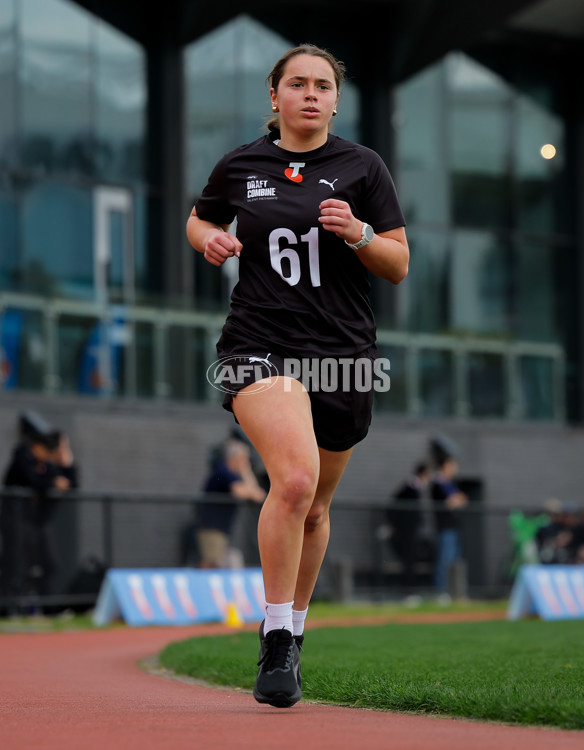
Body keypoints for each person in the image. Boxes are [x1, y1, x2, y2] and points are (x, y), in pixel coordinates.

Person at [187, 43, 409, 708]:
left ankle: (297, 629)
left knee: (314, 509)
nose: (310, 94)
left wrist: (360, 232)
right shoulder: (241, 165)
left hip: (341, 354)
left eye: (322, 85)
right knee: (294, 479)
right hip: (260, 343)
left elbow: (397, 264)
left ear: (335, 100)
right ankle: (276, 637)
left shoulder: (362, 167)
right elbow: (202, 218)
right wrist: (210, 241)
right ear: (275, 97)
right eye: (297, 84)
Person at [0, 428, 78, 612]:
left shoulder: (44, 464)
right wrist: (51, 483)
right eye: (47, 451)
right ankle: (8, 607)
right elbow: (33, 480)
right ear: (37, 447)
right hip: (15, 521)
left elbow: (70, 484)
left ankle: (48, 607)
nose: (48, 456)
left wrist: (68, 464)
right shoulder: (22, 457)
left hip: (36, 523)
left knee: (47, 564)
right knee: (14, 564)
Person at [196, 438, 266, 568]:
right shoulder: (223, 472)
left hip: (222, 527)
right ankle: (200, 585)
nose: (246, 462)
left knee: (214, 560)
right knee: (211, 560)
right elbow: (242, 492)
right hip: (212, 527)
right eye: (244, 458)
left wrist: (245, 471)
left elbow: (257, 494)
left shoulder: (233, 474)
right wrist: (245, 470)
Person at [431, 454, 468, 599]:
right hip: (444, 527)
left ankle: (456, 593)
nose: (454, 468)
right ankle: (441, 592)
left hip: (454, 527)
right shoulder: (437, 484)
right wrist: (455, 500)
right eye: (452, 464)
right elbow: (450, 502)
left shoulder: (451, 484)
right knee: (444, 561)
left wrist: (456, 500)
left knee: (455, 561)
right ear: (445, 465)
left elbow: (463, 499)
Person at [387, 462, 430, 587]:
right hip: (406, 530)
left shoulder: (413, 486)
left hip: (409, 530)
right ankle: (408, 588)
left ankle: (409, 587)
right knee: (408, 559)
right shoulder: (411, 486)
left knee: (411, 559)